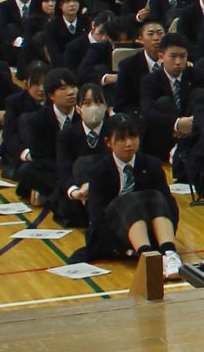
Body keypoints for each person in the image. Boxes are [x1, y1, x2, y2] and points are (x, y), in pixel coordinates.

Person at [70, 114, 182, 272]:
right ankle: (147, 257)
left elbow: (169, 205)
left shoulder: (151, 164)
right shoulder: (98, 171)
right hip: (114, 232)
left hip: (151, 229)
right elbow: (96, 217)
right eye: (122, 139)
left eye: (133, 137)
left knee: (156, 196)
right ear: (108, 142)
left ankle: (169, 253)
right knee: (129, 200)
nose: (129, 143)